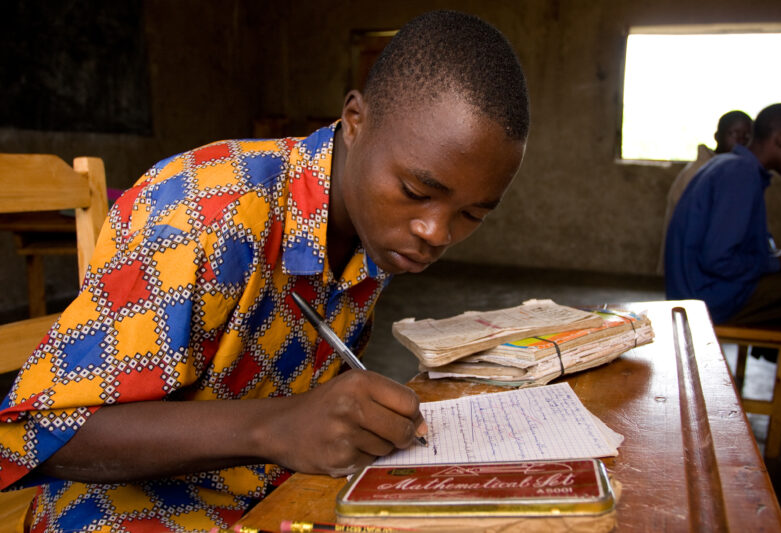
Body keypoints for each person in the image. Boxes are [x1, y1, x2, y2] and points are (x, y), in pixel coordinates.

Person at [0, 11, 529, 532]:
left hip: (272, 489)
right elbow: (42, 435)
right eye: (417, 192)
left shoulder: (377, 234)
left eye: (472, 214)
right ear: (354, 121)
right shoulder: (204, 210)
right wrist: (278, 426)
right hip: (120, 509)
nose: (436, 232)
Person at [664, 103, 781, 326]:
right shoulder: (741, 174)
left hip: (695, 289)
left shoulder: (727, 164)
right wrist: (779, 263)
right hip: (708, 299)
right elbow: (718, 260)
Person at [656, 110, 753, 273]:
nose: (740, 142)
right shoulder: (699, 173)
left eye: (747, 137)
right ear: (717, 136)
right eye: (734, 134)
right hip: (692, 269)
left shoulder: (730, 170)